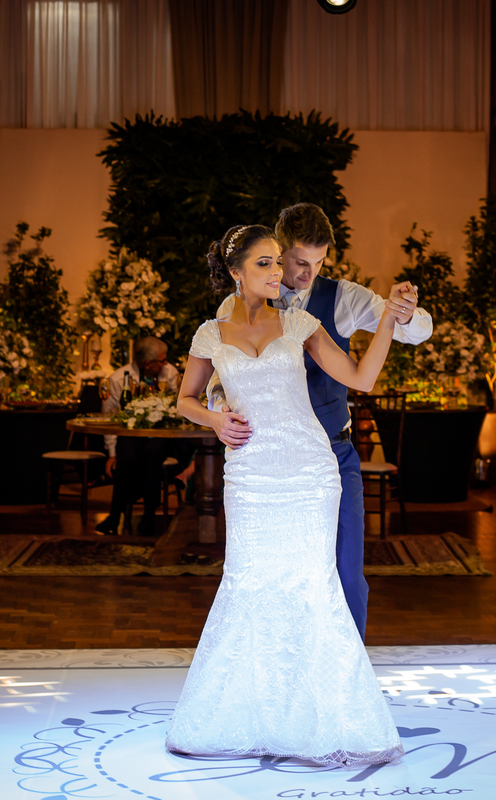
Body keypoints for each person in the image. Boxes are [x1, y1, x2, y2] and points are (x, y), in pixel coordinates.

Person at [165, 224, 409, 766]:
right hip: (250, 476)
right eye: (265, 265)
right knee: (249, 582)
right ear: (235, 272)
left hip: (308, 473)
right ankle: (255, 715)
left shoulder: (300, 323)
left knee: (311, 586)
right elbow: (184, 398)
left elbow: (362, 377)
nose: (280, 273)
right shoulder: (209, 333)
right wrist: (213, 418)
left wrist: (388, 321)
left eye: (280, 262)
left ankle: (319, 718)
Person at [209, 203, 430, 639]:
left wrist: (404, 312)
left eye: (319, 262)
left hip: (331, 453)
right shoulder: (237, 308)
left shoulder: (343, 298)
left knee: (346, 571)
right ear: (277, 250)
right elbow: (221, 380)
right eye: (298, 262)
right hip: (267, 463)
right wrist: (218, 412)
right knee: (272, 576)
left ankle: (347, 681)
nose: (308, 274)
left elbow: (410, 330)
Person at [95, 336, 182, 534]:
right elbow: (109, 417)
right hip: (131, 435)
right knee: (126, 455)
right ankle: (115, 515)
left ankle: (149, 517)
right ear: (148, 363)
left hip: (162, 435)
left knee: (151, 454)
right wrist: (112, 455)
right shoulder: (119, 379)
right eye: (162, 360)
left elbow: (180, 406)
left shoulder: (170, 374)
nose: (166, 363)